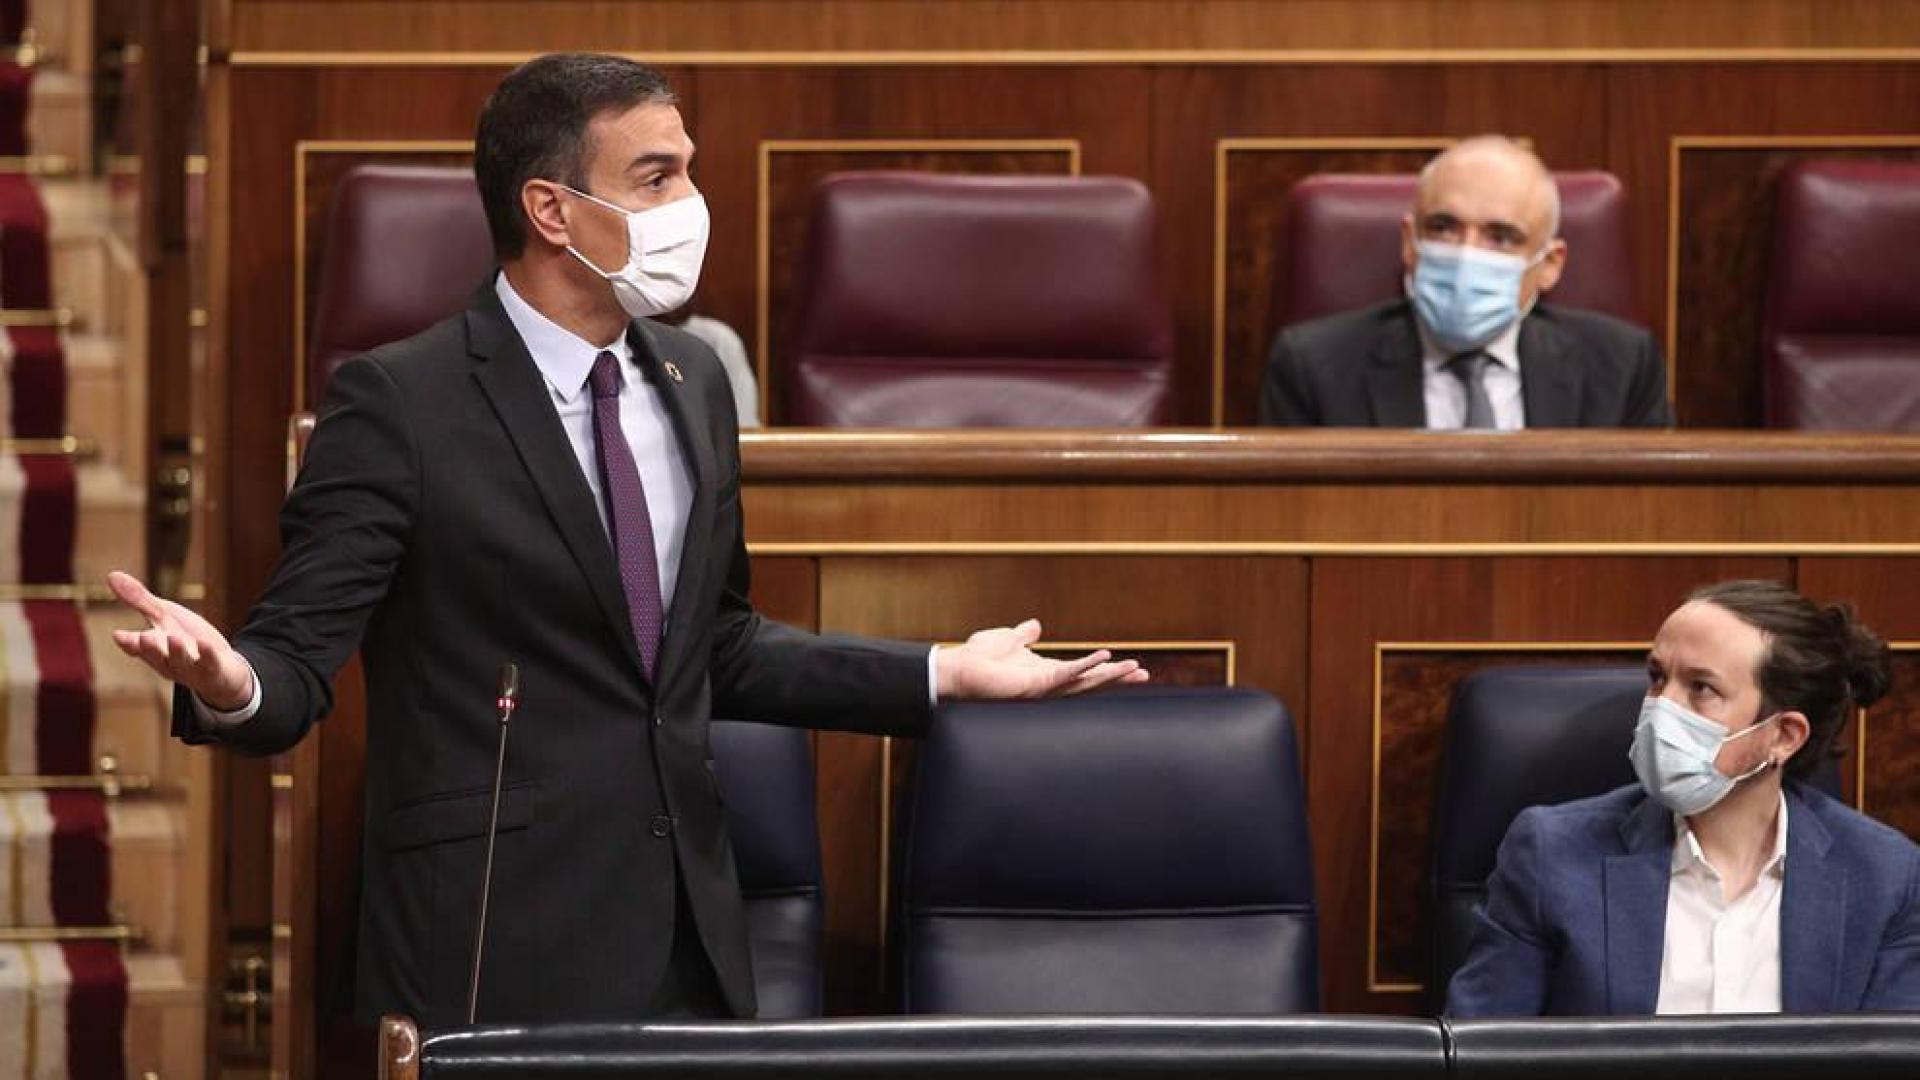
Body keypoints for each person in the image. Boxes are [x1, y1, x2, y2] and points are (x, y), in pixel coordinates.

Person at [105, 53, 1145, 1028]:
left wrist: (944, 673)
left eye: (689, 173)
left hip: (690, 938)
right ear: (553, 210)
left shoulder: (691, 387)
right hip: (491, 944)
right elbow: (292, 664)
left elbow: (714, 647)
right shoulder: (399, 403)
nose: (690, 207)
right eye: (655, 179)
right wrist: (228, 680)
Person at [1447, 580, 1920, 1016]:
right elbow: (1480, 1054)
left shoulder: (1884, 878)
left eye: (1702, 688)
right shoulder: (1551, 854)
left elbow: (1890, 1060)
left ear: (1783, 736)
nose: (1661, 708)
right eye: (1657, 677)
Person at [1259, 136, 1671, 429]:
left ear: (1550, 264)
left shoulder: (1622, 368)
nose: (1466, 253)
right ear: (1409, 243)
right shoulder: (1314, 368)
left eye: (1502, 237)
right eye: (1443, 228)